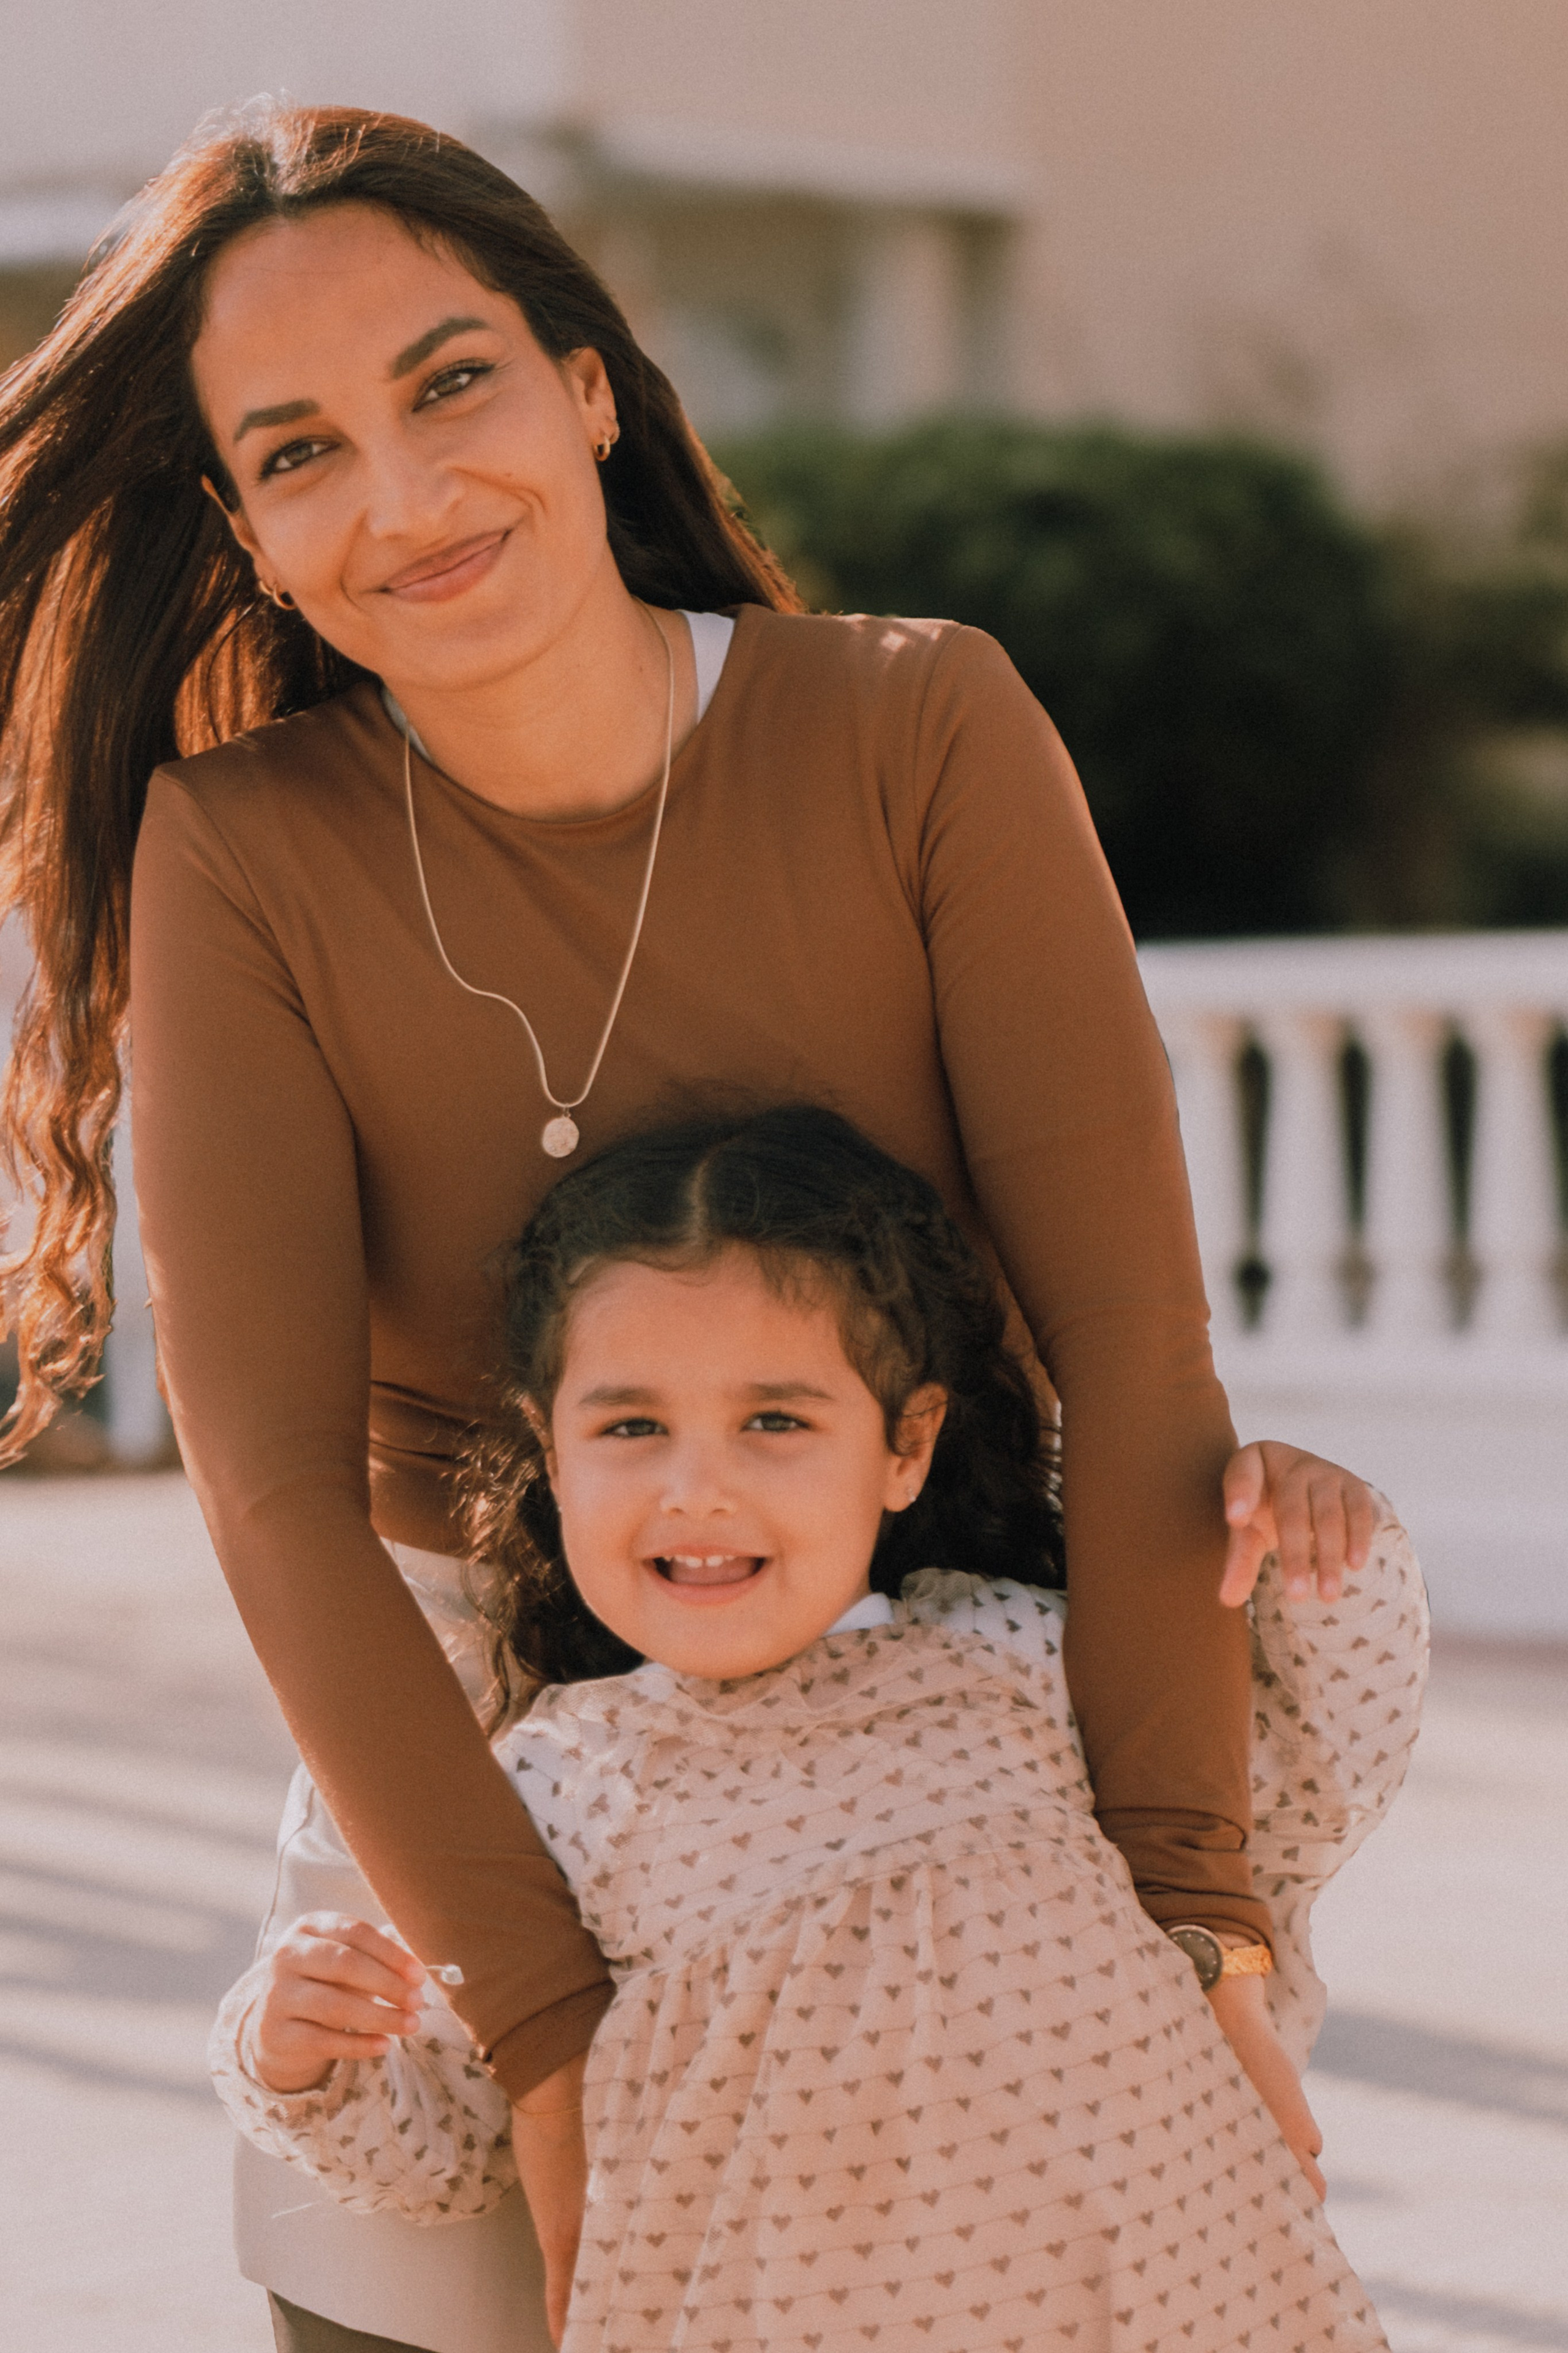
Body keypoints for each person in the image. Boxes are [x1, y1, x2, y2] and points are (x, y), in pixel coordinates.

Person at [0, 101, 1382, 2352]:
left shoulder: (918, 724)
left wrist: (1185, 1932)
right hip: (463, 1725)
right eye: (302, 451)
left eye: (451, 383)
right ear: (249, 535)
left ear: (587, 384)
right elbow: (273, 1498)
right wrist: (548, 2042)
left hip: (920, 1703)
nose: (406, 497)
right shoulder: (237, 849)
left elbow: (1136, 1348)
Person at [210, 1107, 1426, 2353]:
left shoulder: (1024, 1657)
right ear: (552, 1454)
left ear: (906, 1444)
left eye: (775, 1421)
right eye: (631, 1427)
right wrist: (300, 2054)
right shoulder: (551, 1789)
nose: (697, 1487)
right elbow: (454, 2148)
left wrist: (1320, 1552)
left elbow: (1311, 1775)